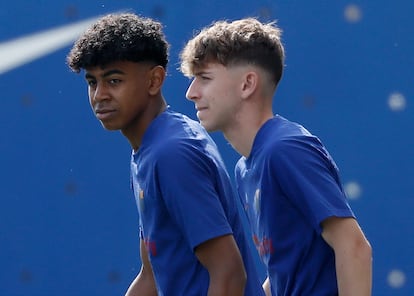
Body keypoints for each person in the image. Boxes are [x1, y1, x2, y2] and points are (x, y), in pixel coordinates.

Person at [66, 13, 265, 296]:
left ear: (154, 80)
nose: (99, 95)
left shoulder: (171, 154)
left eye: (113, 80)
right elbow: (150, 278)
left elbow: (229, 274)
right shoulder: (151, 150)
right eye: (92, 82)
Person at [180, 18, 372, 295]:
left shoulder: (285, 150)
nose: (191, 93)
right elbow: (286, 271)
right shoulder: (245, 167)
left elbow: (353, 247)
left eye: (204, 78)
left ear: (247, 84)